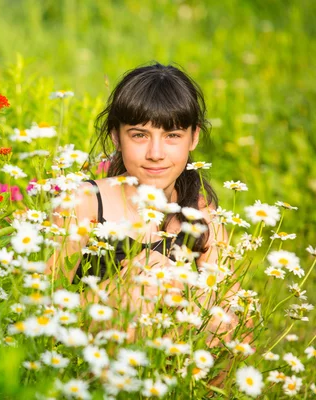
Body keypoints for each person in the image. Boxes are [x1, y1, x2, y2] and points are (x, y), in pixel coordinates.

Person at [47, 62, 230, 339]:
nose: (155, 153)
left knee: (220, 324)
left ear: (193, 138)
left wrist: (195, 301)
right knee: (136, 298)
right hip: (88, 358)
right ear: (116, 137)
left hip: (172, 363)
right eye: (139, 135)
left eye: (172, 136)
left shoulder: (202, 216)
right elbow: (42, 311)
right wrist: (118, 289)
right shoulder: (83, 203)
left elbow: (236, 318)